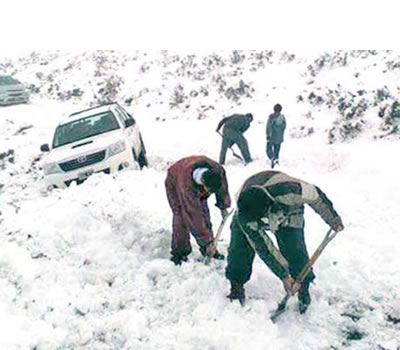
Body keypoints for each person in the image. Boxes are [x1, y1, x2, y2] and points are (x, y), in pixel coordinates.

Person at [225, 170, 344, 313]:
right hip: (250, 212)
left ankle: (303, 286)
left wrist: (332, 218)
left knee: (294, 247)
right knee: (239, 247)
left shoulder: (291, 191)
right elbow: (264, 247)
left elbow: (316, 196)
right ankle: (236, 284)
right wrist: (284, 276)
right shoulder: (245, 214)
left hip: (288, 208)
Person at [165, 155, 231, 265]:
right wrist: (207, 241)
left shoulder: (217, 170)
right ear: (203, 183)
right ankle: (180, 252)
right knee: (181, 216)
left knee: (204, 212)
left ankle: (208, 249)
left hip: (191, 174)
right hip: (174, 181)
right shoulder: (186, 186)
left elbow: (222, 187)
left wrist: (223, 206)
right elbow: (194, 216)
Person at [266, 104, 286, 168]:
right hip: (279, 137)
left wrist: (268, 135)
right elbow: (284, 126)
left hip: (272, 136)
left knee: (268, 149)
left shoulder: (271, 116)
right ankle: (276, 160)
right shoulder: (282, 117)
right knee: (276, 150)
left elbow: (268, 126)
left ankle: (272, 158)